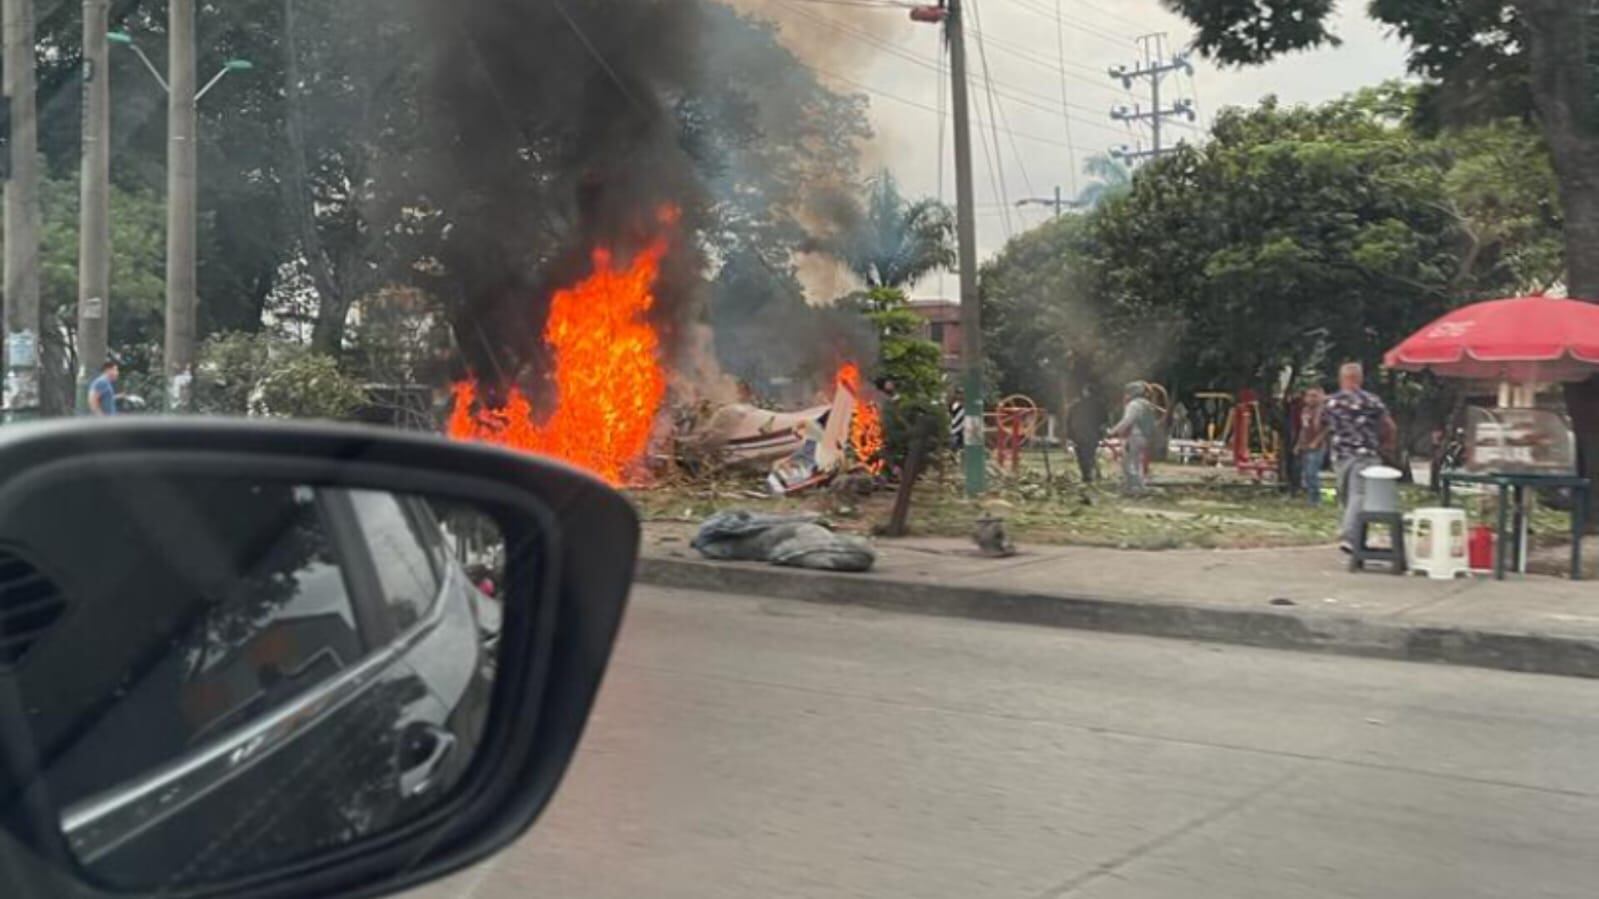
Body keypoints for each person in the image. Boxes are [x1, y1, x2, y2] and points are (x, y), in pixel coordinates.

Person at [1322, 362, 1397, 552]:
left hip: (1340, 456)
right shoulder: (1372, 401)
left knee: (1347, 496)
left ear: (1341, 379)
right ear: (1360, 379)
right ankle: (1351, 536)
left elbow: (1319, 424)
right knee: (1359, 495)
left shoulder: (1331, 402)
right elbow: (1389, 426)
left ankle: (1352, 536)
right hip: (1366, 455)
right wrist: (1387, 445)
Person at [1108, 381, 1158, 495]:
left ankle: (1135, 487)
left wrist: (1113, 431)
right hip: (1145, 437)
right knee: (1137, 463)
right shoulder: (1148, 405)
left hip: (1135, 436)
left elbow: (1128, 420)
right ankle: (1138, 487)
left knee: (1128, 464)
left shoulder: (1134, 405)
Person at [1293, 386, 1328, 505]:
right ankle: (1310, 497)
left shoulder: (1323, 411)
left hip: (1317, 447)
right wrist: (1298, 444)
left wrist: (1317, 441)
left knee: (1312, 472)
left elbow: (1327, 428)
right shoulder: (1305, 411)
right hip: (1305, 445)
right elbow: (1304, 428)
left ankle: (1316, 500)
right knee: (1306, 474)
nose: (1311, 399)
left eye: (1314, 396)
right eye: (1309, 396)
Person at [1064, 388, 1106, 483]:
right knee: (1090, 455)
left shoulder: (1075, 405)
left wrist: (1069, 435)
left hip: (1078, 434)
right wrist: (1102, 434)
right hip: (1092, 434)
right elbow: (1104, 421)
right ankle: (1089, 474)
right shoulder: (1099, 405)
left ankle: (1086, 475)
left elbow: (1069, 421)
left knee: (1081, 456)